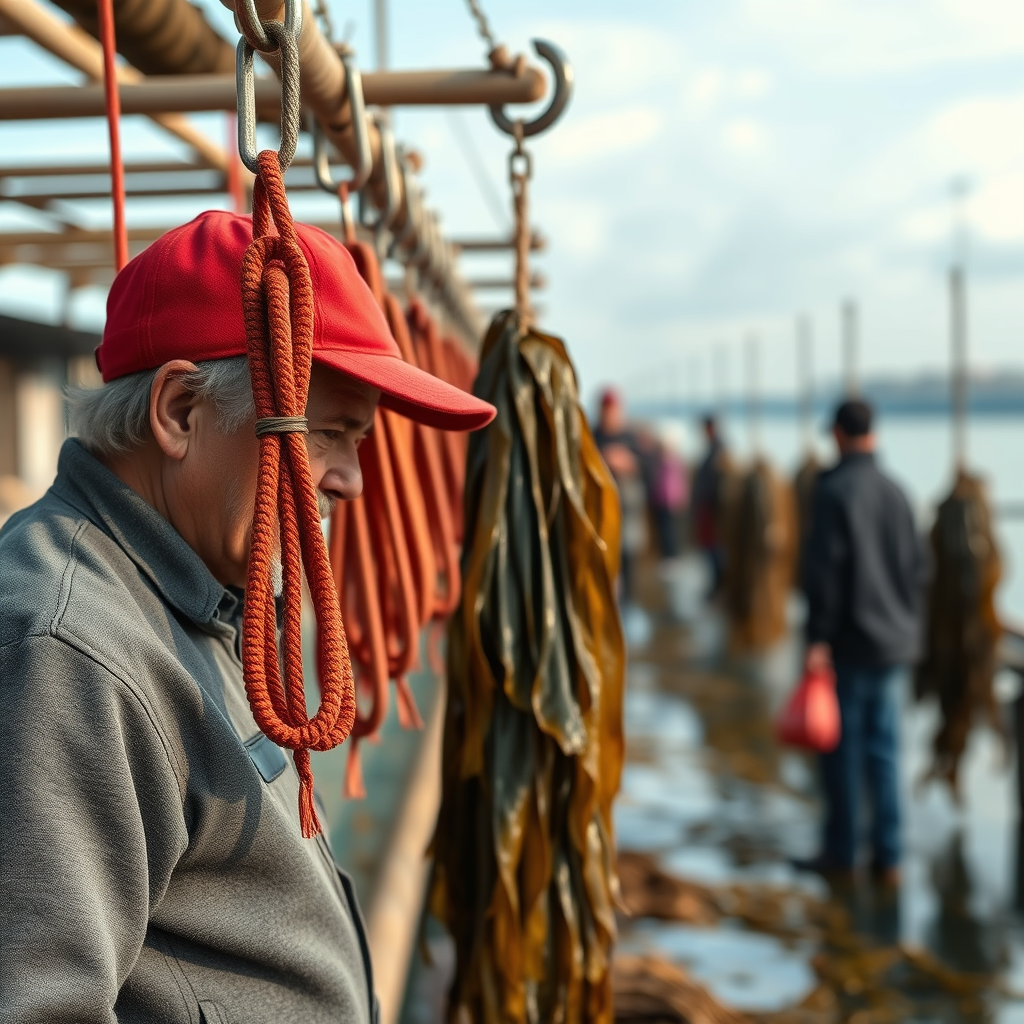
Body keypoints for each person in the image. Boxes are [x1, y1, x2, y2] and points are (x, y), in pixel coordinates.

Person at [0, 211, 495, 1020]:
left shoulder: (188, 589)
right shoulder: (65, 652)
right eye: (327, 433)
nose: (352, 481)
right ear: (182, 412)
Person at [799, 399, 927, 885]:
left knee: (842, 752)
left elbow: (825, 573)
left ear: (836, 433)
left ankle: (842, 851)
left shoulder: (832, 491)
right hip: (895, 645)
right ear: (874, 432)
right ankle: (890, 857)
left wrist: (817, 638)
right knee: (886, 752)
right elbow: (920, 571)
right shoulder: (899, 493)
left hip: (850, 644)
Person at [593, 388, 647, 604]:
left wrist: (629, 462)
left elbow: (649, 470)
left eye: (612, 410)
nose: (609, 415)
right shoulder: (593, 435)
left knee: (628, 559)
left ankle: (629, 604)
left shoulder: (631, 437)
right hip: (600, 512)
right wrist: (604, 460)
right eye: (605, 410)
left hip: (628, 511)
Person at [690, 415, 727, 595]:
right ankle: (717, 585)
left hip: (714, 510)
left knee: (716, 551)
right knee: (712, 550)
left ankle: (719, 585)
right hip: (709, 509)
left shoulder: (719, 452)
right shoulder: (714, 450)